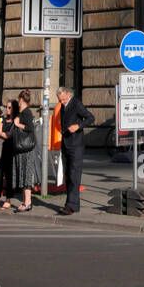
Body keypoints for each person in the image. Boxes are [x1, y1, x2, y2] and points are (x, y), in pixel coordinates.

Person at [57, 85, 94, 215]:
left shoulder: (76, 104)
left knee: (74, 175)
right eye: (59, 100)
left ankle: (70, 206)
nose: (61, 102)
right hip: (66, 143)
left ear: (68, 95)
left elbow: (90, 118)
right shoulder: (63, 106)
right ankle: (72, 204)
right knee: (68, 175)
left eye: (63, 100)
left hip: (76, 145)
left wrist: (78, 126)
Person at [10, 89, 40, 212]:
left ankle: (27, 202)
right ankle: (25, 201)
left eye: (18, 100)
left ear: (21, 100)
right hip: (21, 149)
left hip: (26, 149)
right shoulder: (22, 112)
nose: (18, 102)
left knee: (26, 175)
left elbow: (30, 128)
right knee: (22, 175)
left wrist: (17, 125)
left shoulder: (26, 112)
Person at [0, 99, 18, 210]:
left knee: (9, 175)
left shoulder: (15, 120)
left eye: (10, 107)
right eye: (7, 107)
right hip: (2, 150)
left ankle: (8, 199)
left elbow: (9, 135)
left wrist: (2, 133)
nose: (7, 109)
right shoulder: (5, 120)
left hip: (10, 150)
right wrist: (2, 133)